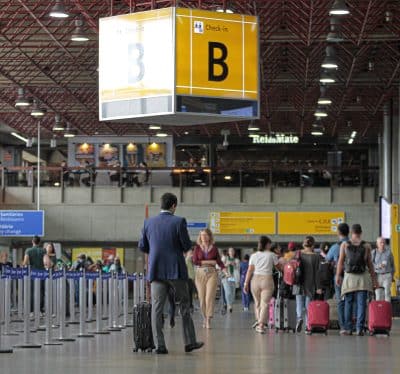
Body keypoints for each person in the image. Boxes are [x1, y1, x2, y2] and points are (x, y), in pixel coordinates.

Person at [138, 192, 203, 354]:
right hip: (176, 271)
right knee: (184, 306)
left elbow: (142, 246)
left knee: (157, 308)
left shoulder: (148, 223)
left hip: (156, 270)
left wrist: (155, 251)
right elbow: (186, 245)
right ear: (173, 205)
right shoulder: (179, 221)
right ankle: (190, 342)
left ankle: (160, 345)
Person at [336, 224, 378, 336]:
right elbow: (370, 264)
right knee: (361, 303)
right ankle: (359, 328)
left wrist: (337, 276)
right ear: (361, 232)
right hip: (362, 277)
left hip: (349, 277)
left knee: (348, 302)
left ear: (351, 232)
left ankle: (348, 328)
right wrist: (375, 280)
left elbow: (340, 262)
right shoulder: (367, 246)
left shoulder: (344, 244)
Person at [244, 236, 278, 334]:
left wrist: (246, 283)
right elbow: (278, 267)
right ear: (267, 244)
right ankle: (261, 325)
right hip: (267, 279)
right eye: (270, 244)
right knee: (265, 303)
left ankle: (259, 321)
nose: (270, 245)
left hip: (255, 280)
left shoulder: (253, 256)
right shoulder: (272, 255)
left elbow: (250, 270)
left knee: (257, 303)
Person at [193, 228, 226, 328]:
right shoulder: (197, 248)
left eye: (206, 235)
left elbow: (219, 262)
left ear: (209, 236)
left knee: (209, 298)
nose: (203, 237)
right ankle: (204, 317)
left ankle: (208, 319)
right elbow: (195, 261)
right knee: (202, 298)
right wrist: (210, 262)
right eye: (202, 235)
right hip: (200, 273)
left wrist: (225, 271)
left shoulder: (214, 248)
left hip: (212, 273)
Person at [294, 236, 322, 334]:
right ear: (313, 245)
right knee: (308, 306)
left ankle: (299, 318)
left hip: (298, 283)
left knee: (299, 303)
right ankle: (308, 326)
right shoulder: (316, 256)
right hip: (310, 284)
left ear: (303, 244)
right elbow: (318, 273)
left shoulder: (298, 254)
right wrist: (318, 287)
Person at [326, 222, 349, 334]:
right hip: (352, 276)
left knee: (340, 301)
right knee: (351, 300)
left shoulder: (335, 247)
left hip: (338, 276)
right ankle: (351, 325)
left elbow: (327, 260)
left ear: (338, 233)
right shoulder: (353, 244)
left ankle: (343, 327)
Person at [22, 236, 47, 313]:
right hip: (42, 273)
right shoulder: (43, 250)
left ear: (32, 241)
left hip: (32, 273)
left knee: (32, 291)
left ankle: (32, 310)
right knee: (41, 291)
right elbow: (46, 262)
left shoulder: (28, 250)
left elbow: (25, 262)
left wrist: (24, 264)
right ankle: (40, 309)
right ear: (39, 242)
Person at [372, 237, 395, 302]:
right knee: (378, 294)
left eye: (383, 242)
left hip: (387, 275)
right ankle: (379, 311)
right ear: (377, 244)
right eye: (381, 243)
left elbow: (392, 265)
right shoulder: (374, 253)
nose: (382, 244)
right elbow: (370, 265)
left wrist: (392, 275)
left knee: (387, 293)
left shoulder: (389, 252)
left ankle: (387, 311)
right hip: (377, 276)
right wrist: (378, 266)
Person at [222, 247, 239, 313]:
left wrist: (234, 265)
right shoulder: (225, 258)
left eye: (232, 251)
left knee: (232, 293)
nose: (231, 252)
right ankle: (229, 305)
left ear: (234, 252)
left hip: (233, 277)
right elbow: (220, 266)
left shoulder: (237, 260)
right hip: (226, 277)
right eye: (230, 251)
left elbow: (238, 269)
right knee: (228, 292)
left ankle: (230, 304)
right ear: (228, 252)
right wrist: (227, 264)